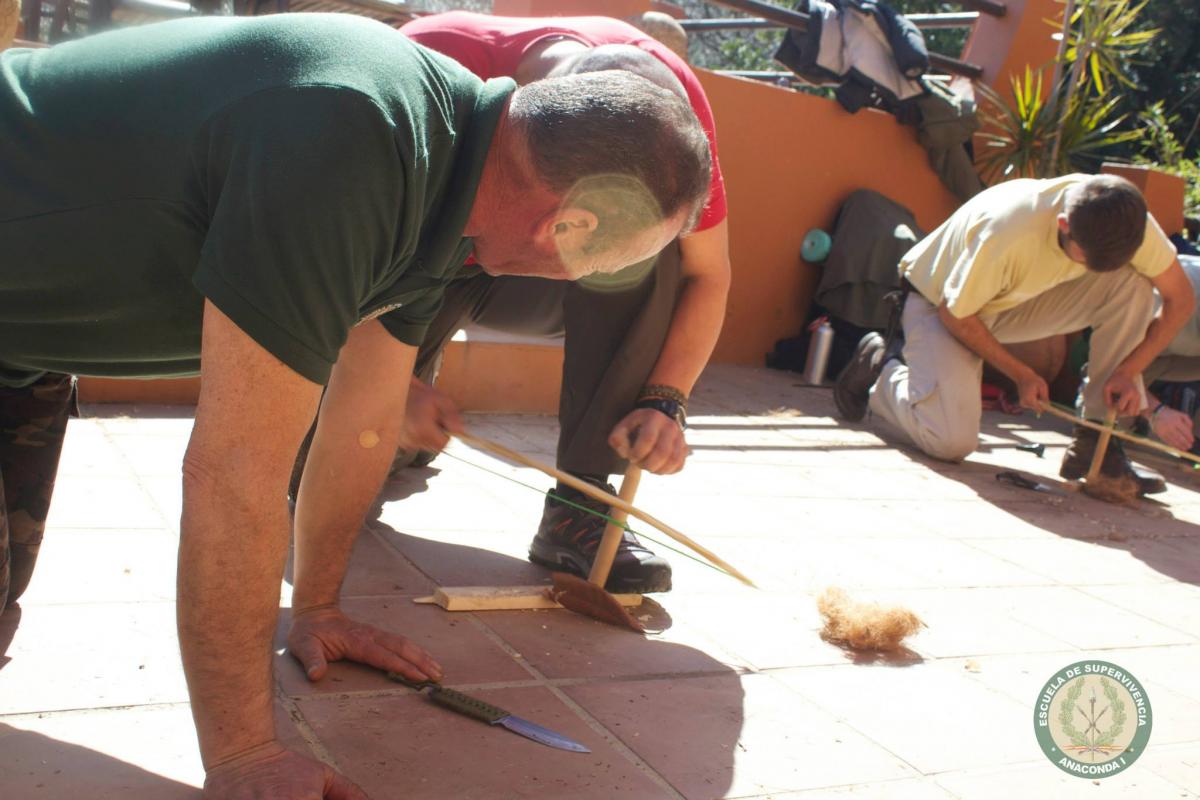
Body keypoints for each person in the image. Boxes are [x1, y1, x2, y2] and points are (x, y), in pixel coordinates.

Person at [0, 13, 710, 798]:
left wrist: (319, 608)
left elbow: (363, 417)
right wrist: (245, 756)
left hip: (23, 345)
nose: (591, 281)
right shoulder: (349, 140)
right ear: (569, 223)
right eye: (612, 264)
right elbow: (235, 475)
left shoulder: (455, 184)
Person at [395, 11, 731, 594]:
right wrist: (386, 385)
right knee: (353, 446)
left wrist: (664, 401)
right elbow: (325, 250)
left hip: (531, 291)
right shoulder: (428, 63)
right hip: (425, 271)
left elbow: (708, 273)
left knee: (657, 252)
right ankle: (393, 421)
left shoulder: (674, 123)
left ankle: (583, 507)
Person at [834, 174, 1193, 493]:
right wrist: (1021, 374)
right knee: (949, 442)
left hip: (1011, 301)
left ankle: (1095, 442)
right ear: (1064, 224)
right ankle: (882, 369)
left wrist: (1130, 371)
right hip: (940, 303)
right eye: (1087, 258)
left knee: (1133, 287)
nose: (1094, 268)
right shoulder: (1008, 230)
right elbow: (956, 315)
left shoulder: (1126, 219)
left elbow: (1180, 300)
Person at [1137, 253, 1200, 451]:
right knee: (1107, 405)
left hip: (1164, 353)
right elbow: (1103, 370)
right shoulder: (1159, 301)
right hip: (1126, 354)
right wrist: (1155, 412)